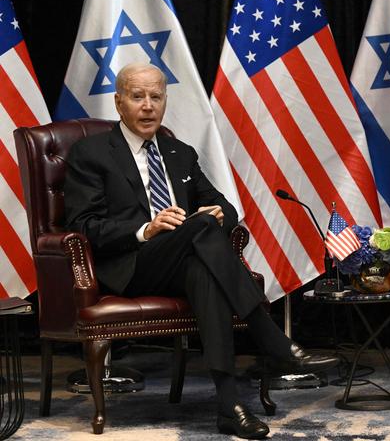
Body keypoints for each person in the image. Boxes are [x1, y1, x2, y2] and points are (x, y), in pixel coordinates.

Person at [64, 62, 339, 439]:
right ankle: (271, 337)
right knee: (202, 229)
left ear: (165, 102)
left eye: (156, 97)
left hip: (184, 259)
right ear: (118, 102)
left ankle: (229, 406)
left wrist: (214, 215)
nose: (148, 106)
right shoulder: (91, 152)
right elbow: (83, 226)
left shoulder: (180, 153)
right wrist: (147, 228)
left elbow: (224, 209)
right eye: (137, 96)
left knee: (203, 264)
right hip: (131, 264)